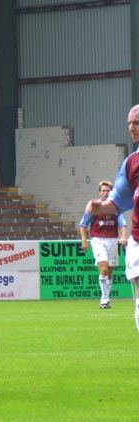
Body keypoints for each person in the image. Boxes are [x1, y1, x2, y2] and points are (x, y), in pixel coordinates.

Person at [86, 103, 139, 334]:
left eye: (137, 123)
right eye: (129, 123)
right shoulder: (131, 163)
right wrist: (99, 207)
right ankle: (105, 298)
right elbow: (116, 202)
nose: (132, 128)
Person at [78, 180, 128, 309]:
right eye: (103, 191)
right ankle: (104, 299)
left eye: (108, 191)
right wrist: (84, 240)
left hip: (112, 240)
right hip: (98, 240)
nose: (106, 193)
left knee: (110, 271)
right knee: (104, 268)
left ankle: (106, 297)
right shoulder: (94, 208)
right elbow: (83, 225)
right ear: (99, 193)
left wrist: (123, 237)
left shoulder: (116, 208)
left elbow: (122, 224)